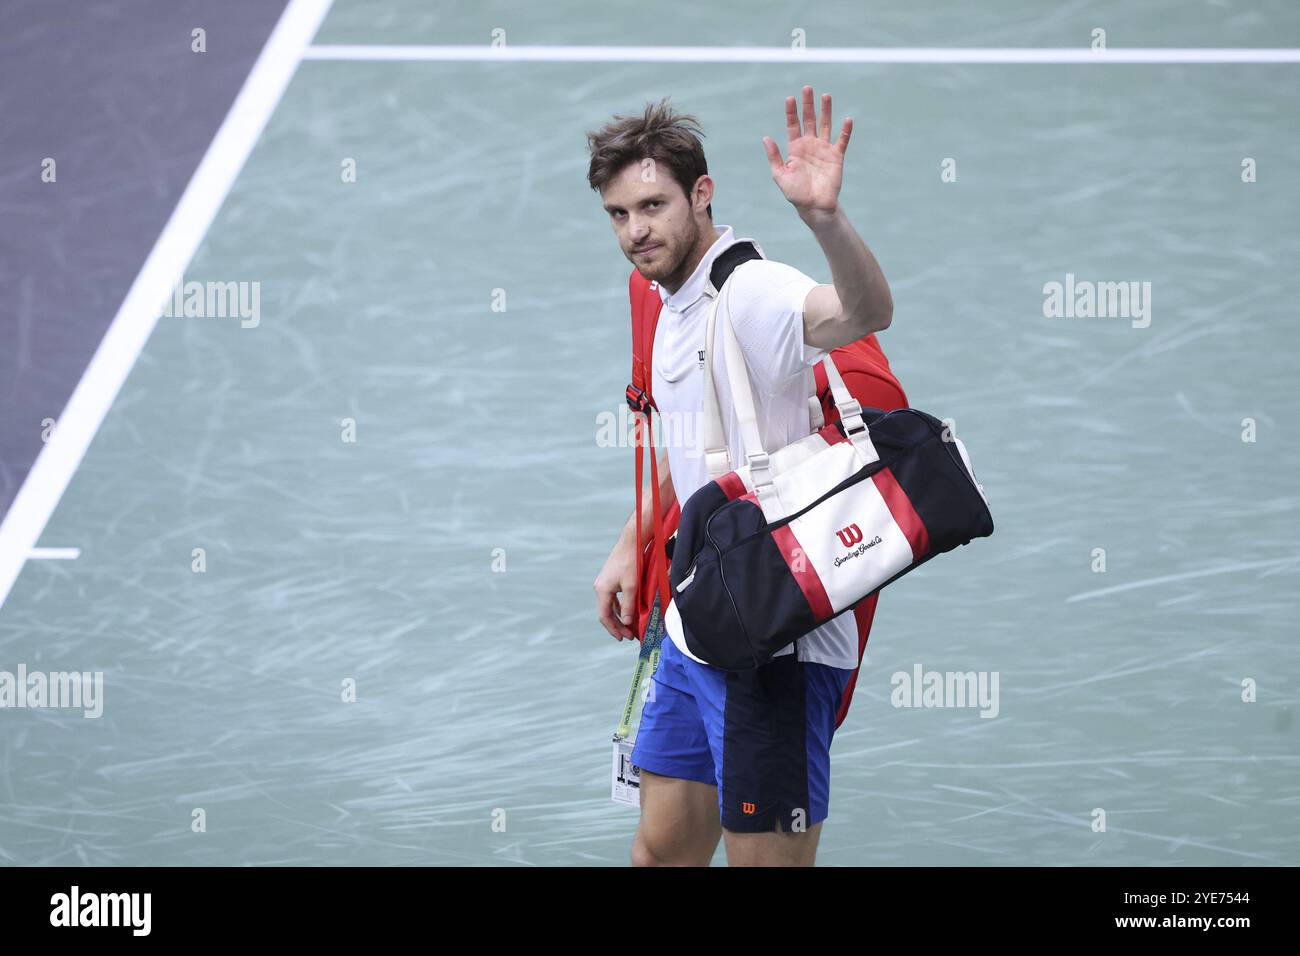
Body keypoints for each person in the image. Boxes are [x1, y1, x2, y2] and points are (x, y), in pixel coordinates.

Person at [589, 87, 894, 866]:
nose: (637, 230)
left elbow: (863, 312)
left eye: (653, 205)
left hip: (774, 640)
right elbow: (692, 443)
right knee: (662, 854)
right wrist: (635, 537)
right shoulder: (666, 299)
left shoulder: (751, 293)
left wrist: (824, 221)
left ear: (702, 193)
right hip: (699, 624)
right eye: (620, 214)